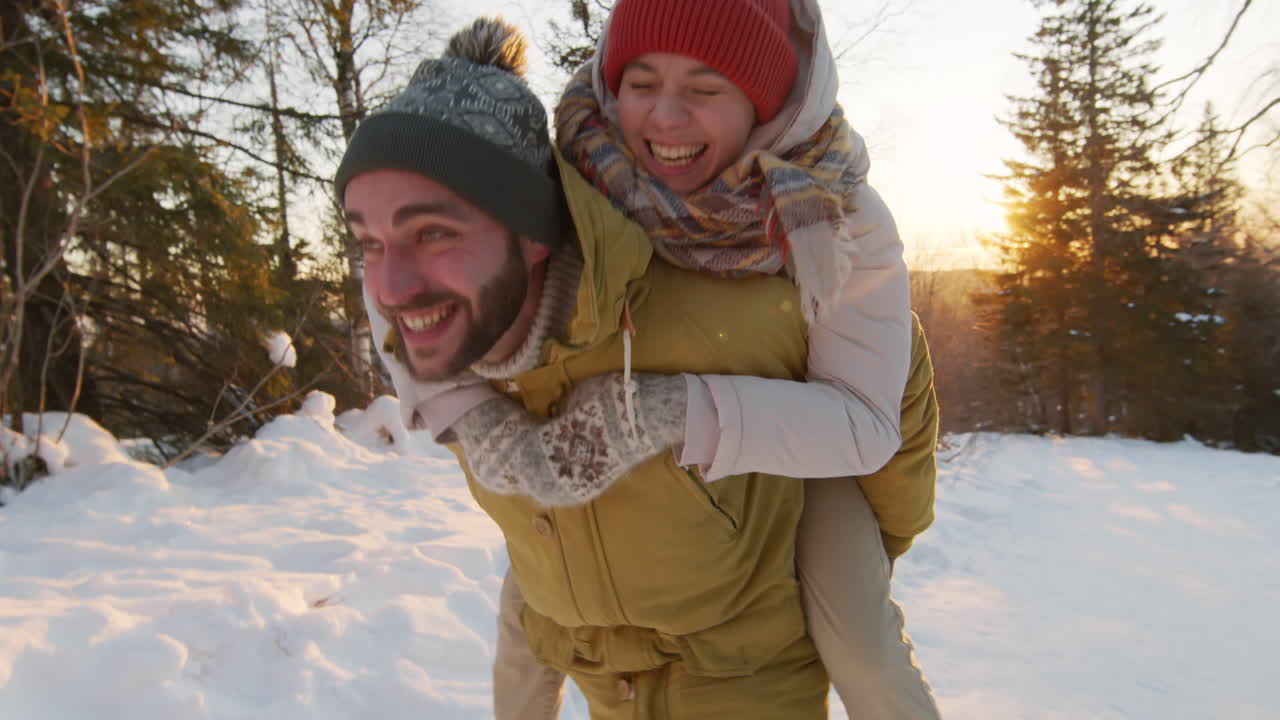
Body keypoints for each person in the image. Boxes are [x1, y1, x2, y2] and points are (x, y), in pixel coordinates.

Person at [341, 10, 939, 719]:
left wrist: (662, 412)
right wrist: (472, 416)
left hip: (804, 448)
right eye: (642, 81)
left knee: (861, 644)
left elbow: (867, 424)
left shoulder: (835, 214)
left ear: (766, 99)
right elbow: (398, 278)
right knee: (536, 608)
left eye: (706, 87)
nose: (665, 118)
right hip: (613, 463)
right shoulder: (578, 162)